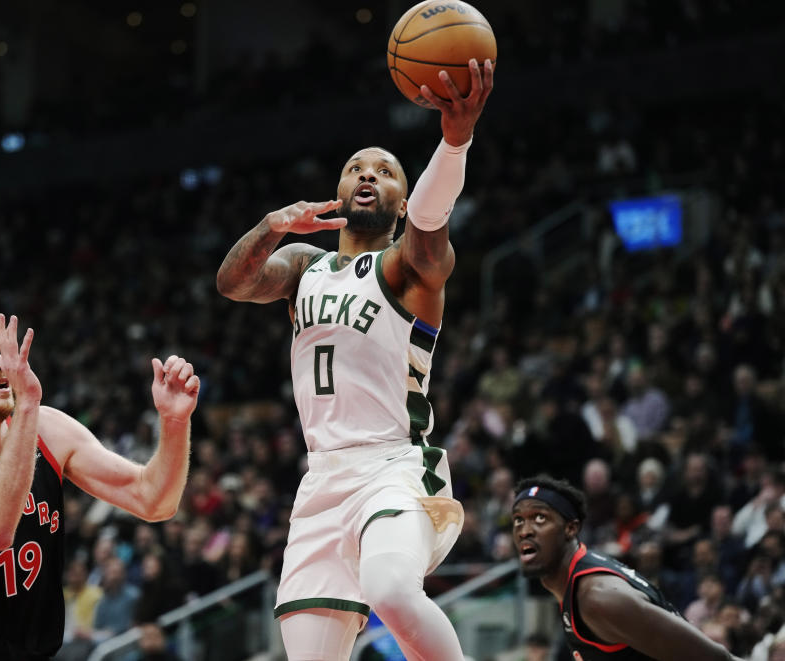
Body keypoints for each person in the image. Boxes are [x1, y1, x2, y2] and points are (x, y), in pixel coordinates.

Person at [217, 59, 494, 661]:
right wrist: (272, 227)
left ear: (400, 204)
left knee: (392, 589)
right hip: (321, 480)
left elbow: (429, 219)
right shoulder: (302, 267)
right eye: (355, 169)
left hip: (394, 464)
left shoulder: (409, 265)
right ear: (339, 193)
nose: (368, 174)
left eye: (386, 172)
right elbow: (233, 284)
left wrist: (453, 142)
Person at [0, 308, 200, 660]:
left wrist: (174, 422)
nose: (0, 363)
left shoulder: (48, 429)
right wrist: (27, 405)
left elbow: (153, 501)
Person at [511, 474, 745, 661]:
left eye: (540, 518)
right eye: (519, 520)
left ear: (571, 529)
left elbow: (716, 658)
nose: (525, 530)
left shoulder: (598, 597)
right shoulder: (578, 586)